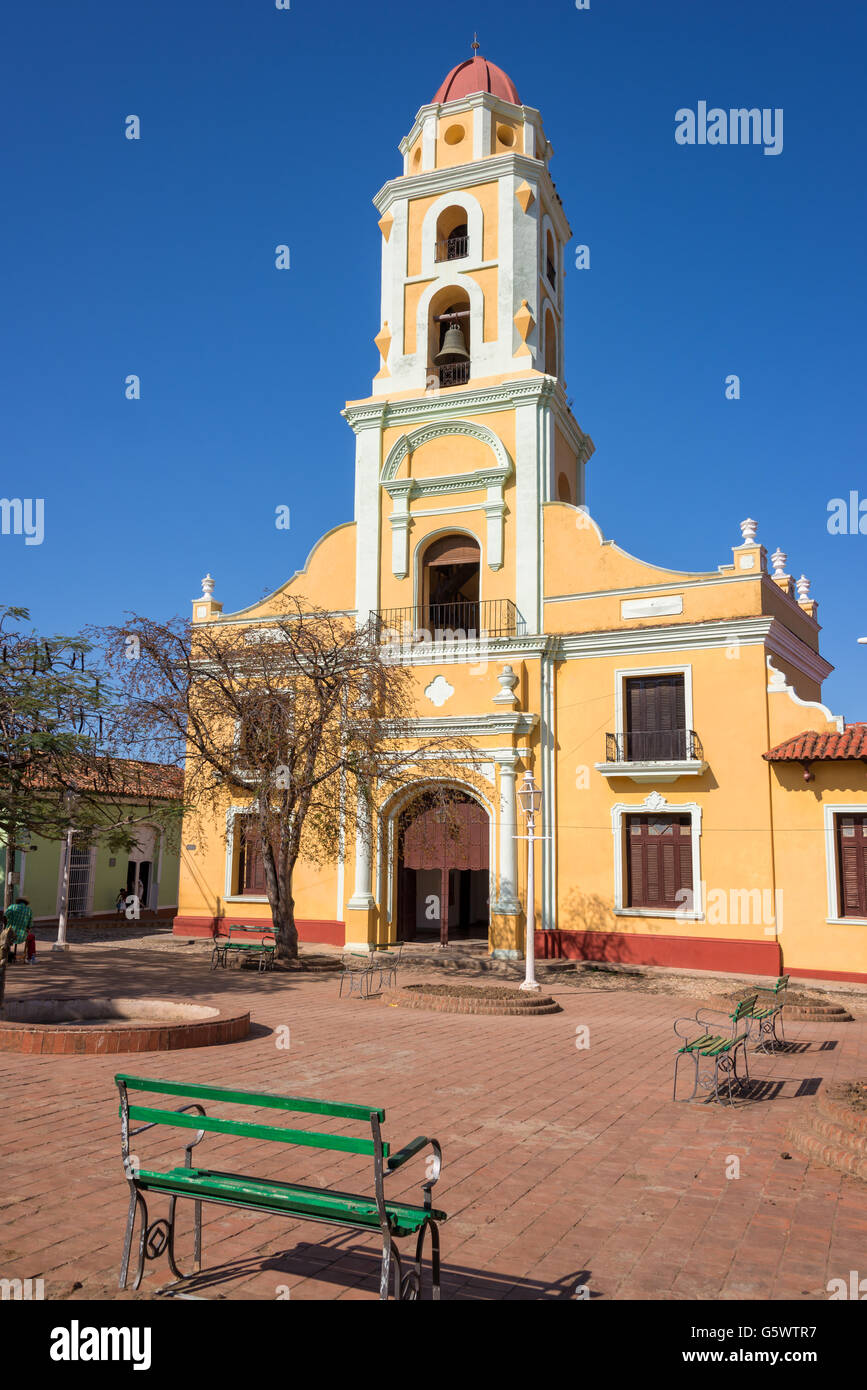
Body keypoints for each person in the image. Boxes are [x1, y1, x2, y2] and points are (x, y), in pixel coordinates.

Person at [4, 897, 32, 965]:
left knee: (4, 939)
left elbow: (5, 916)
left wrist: (6, 926)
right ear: (26, 903)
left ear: (18, 902)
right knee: (31, 937)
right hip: (22, 936)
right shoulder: (28, 910)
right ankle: (29, 957)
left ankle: (7, 956)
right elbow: (30, 924)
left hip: (10, 934)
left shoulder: (12, 907)